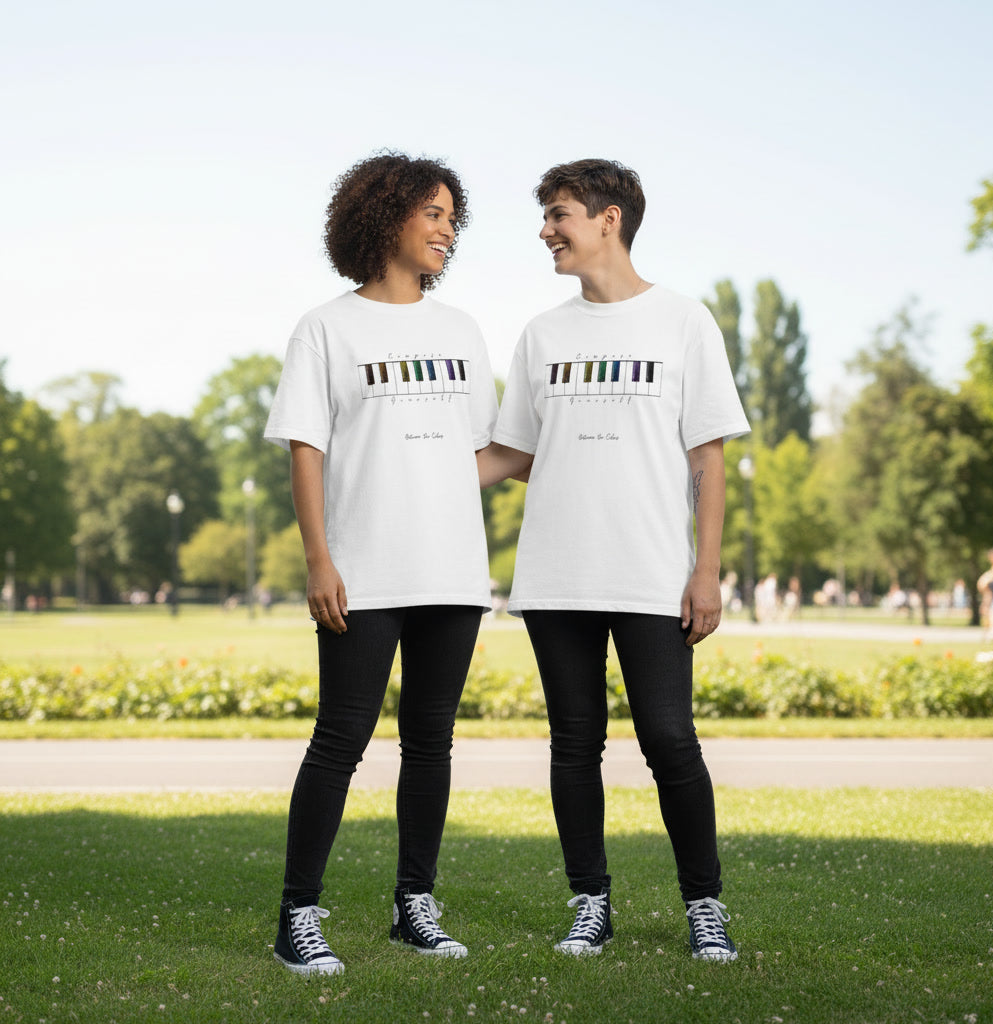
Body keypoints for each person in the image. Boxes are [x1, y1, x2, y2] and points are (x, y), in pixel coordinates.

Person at [478, 158, 750, 962]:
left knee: (669, 739)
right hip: (556, 572)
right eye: (545, 217)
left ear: (609, 219)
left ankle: (705, 905)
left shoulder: (684, 322)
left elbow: (707, 458)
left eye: (558, 214)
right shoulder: (542, 334)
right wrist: (409, 464)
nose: (546, 231)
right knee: (574, 743)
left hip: (652, 572)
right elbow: (513, 453)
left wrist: (707, 570)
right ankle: (589, 902)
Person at [264, 152, 497, 975]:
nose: (447, 231)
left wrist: (580, 450)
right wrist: (319, 560)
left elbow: (477, 455)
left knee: (431, 742)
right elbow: (307, 449)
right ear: (384, 214)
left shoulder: (461, 330)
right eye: (433, 213)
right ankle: (297, 916)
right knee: (340, 739)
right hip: (361, 572)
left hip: (453, 570)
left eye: (452, 219)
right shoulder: (326, 329)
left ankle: (414, 906)